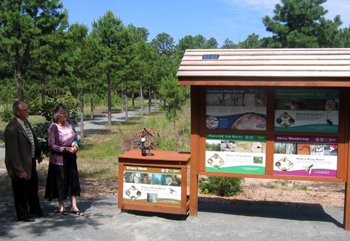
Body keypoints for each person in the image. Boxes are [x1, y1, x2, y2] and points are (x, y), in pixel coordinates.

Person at [5, 101, 48, 222]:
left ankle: (35, 209)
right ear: (17, 112)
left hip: (30, 162)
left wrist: (37, 155)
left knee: (32, 188)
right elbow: (12, 153)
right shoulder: (11, 128)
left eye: (27, 109)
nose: (28, 111)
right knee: (20, 192)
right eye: (25, 110)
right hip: (20, 167)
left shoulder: (26, 123)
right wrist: (19, 170)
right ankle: (22, 215)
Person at [45, 103, 83, 216]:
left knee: (73, 179)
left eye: (66, 113)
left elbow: (74, 136)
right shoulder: (53, 127)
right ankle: (62, 205)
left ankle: (74, 206)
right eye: (63, 113)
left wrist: (75, 144)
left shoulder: (70, 122)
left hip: (71, 157)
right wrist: (65, 149)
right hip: (59, 159)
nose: (66, 115)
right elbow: (51, 145)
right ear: (57, 115)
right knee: (61, 181)